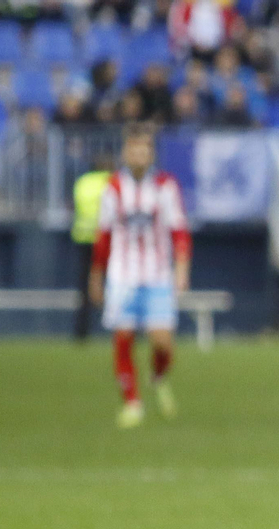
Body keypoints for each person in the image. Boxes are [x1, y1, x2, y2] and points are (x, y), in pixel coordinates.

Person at [90, 125, 190, 430]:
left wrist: (182, 268)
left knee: (163, 344)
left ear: (151, 153)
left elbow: (179, 230)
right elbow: (104, 235)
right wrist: (96, 276)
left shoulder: (165, 186)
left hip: (158, 275)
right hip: (123, 275)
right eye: (133, 149)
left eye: (144, 149)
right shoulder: (113, 188)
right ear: (125, 152)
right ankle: (132, 402)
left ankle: (158, 376)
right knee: (123, 338)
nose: (138, 154)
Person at [70, 151, 112, 343]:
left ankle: (81, 332)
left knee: (84, 288)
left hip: (84, 238)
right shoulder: (111, 182)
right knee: (118, 284)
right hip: (107, 239)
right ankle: (122, 330)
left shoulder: (82, 182)